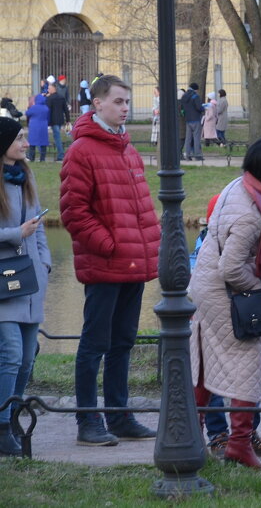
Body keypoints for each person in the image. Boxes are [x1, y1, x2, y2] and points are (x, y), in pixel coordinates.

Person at [60, 75, 159, 446]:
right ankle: (88, 420)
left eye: (126, 102)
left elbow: (141, 209)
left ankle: (119, 416)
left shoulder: (127, 149)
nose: (125, 108)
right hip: (106, 264)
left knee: (123, 343)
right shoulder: (82, 151)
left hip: (133, 264)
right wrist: (110, 245)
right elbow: (74, 213)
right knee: (94, 344)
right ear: (97, 104)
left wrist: (151, 245)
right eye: (118, 101)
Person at [189, 138, 261, 469]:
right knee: (249, 363)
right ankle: (239, 444)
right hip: (222, 291)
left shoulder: (239, 185)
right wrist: (259, 291)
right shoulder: (251, 214)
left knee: (205, 367)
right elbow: (231, 268)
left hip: (205, 286)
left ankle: (192, 437)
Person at [190, 194, 261, 460]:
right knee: (210, 377)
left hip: (242, 314)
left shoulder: (248, 238)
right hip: (215, 316)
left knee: (248, 375)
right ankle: (218, 435)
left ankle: (246, 434)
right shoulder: (207, 246)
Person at [0, 119, 51, 457]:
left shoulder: (26, 175)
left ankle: (15, 417)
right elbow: (23, 229)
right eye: (18, 138)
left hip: (31, 281)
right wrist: (17, 234)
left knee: (28, 361)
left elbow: (40, 227)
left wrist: (45, 263)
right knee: (11, 354)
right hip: (3, 285)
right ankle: (3, 426)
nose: (25, 142)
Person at [180, 82, 205, 161]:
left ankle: (187, 154)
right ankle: (197, 155)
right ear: (195, 89)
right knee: (196, 138)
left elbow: (182, 107)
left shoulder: (184, 96)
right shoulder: (195, 96)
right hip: (196, 119)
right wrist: (203, 108)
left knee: (188, 138)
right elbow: (199, 108)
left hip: (188, 120)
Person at [45, 84, 70, 161]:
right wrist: (68, 120)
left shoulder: (49, 98)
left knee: (57, 137)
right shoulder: (61, 97)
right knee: (57, 136)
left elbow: (47, 110)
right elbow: (66, 109)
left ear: (53, 89)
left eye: (49, 88)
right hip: (60, 119)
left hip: (53, 120)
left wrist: (47, 121)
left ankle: (61, 155)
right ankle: (61, 154)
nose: (48, 90)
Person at [26, 95, 50, 162]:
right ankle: (42, 158)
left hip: (34, 126)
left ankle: (32, 158)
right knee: (43, 143)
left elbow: (27, 113)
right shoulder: (46, 108)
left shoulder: (34, 107)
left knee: (32, 143)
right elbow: (48, 117)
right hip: (43, 126)